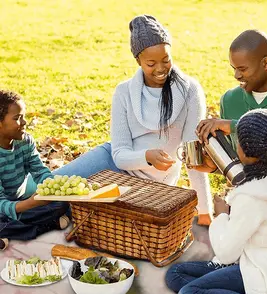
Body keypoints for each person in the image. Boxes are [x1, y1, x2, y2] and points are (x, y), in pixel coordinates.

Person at [51, 15, 213, 225]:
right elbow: (119, 155)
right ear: (138, 61)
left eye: (166, 59)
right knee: (50, 188)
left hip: (148, 185)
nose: (161, 68)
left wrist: (205, 211)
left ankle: (59, 218)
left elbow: (193, 156)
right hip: (113, 163)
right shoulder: (124, 92)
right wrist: (146, 156)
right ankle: (11, 216)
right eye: (151, 63)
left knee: (83, 211)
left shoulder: (190, 91)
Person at [165, 109, 267, 294]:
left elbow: (226, 253)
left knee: (188, 293)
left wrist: (221, 216)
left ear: (245, 151)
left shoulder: (251, 197)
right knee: (175, 274)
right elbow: (258, 186)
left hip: (260, 274)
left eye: (238, 141)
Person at [194, 29, 267, 261]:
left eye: (242, 69)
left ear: (266, 62)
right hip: (248, 206)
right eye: (234, 68)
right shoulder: (230, 100)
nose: (236, 76)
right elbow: (242, 160)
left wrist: (234, 126)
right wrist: (216, 165)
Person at [0, 90, 70, 248]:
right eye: (17, 118)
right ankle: (48, 225)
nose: (24, 122)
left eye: (23, 116)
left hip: (20, 202)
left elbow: (40, 171)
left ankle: (9, 232)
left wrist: (53, 189)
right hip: (5, 207)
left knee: (63, 203)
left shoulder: (25, 141)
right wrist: (31, 204)